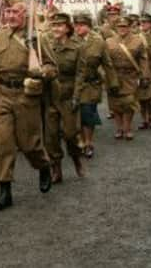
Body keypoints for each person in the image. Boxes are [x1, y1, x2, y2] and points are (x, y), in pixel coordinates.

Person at [0, 0, 56, 211]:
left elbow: (52, 67)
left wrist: (41, 73)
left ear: (25, 14)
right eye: (8, 12)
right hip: (2, 95)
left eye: (15, 12)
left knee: (29, 144)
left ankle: (43, 165)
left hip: (26, 96)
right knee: (3, 144)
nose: (10, 16)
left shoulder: (37, 38)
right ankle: (5, 191)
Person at [45, 12, 85, 183]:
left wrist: (76, 96)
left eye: (60, 25)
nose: (56, 28)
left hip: (68, 96)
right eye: (53, 25)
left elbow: (80, 74)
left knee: (70, 134)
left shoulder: (78, 46)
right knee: (51, 136)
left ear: (68, 28)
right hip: (49, 96)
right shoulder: (46, 45)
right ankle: (56, 168)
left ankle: (76, 158)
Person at [73, 13, 118, 159]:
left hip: (90, 84)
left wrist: (113, 83)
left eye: (81, 25)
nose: (78, 28)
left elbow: (108, 64)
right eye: (76, 25)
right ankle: (78, 141)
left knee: (87, 113)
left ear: (89, 26)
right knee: (74, 114)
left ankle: (88, 143)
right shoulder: (70, 40)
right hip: (72, 84)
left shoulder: (99, 42)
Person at [105, 16, 150, 140]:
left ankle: (127, 127)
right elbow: (104, 60)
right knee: (115, 104)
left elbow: (143, 59)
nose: (122, 29)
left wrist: (145, 76)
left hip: (130, 76)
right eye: (120, 26)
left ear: (129, 27)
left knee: (129, 102)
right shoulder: (109, 41)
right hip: (114, 76)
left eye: (125, 26)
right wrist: (104, 75)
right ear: (116, 27)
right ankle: (119, 128)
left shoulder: (138, 41)